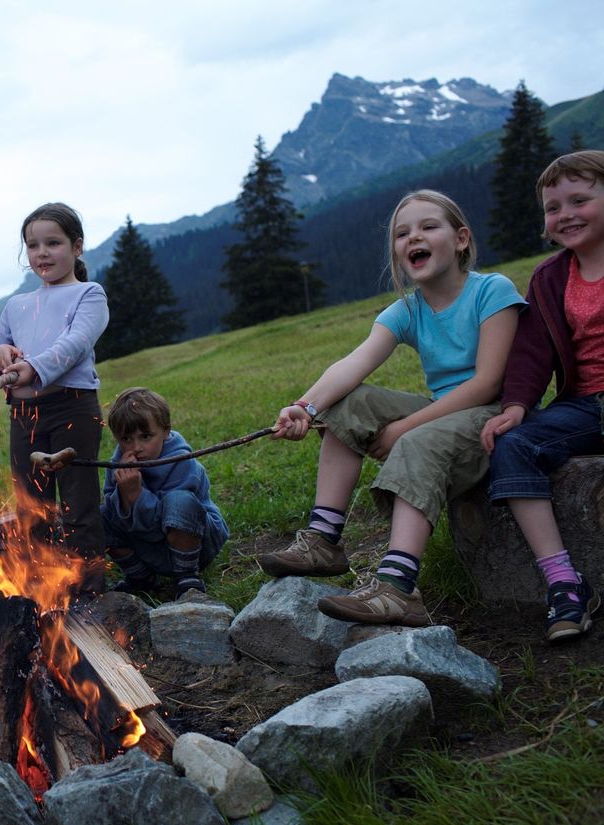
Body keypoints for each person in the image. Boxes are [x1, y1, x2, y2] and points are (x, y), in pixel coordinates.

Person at [258, 190, 524, 626]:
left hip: (493, 418)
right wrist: (304, 406)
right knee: (348, 401)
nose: (412, 238)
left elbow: (486, 384)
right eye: (402, 233)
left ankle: (399, 588)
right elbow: (353, 364)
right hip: (446, 412)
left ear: (461, 239)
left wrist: (405, 428)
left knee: (418, 440)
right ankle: (324, 540)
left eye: (427, 227)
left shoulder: (491, 290)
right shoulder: (407, 310)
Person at [480, 150, 604, 642]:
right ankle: (565, 585)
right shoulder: (551, 277)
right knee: (514, 446)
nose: (566, 214)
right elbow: (532, 353)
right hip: (586, 404)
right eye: (554, 207)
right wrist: (515, 408)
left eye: (581, 199)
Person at [0, 202, 109, 595]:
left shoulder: (89, 294)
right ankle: (41, 586)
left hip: (73, 405)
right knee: (31, 504)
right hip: (24, 414)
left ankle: (88, 588)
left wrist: (34, 369)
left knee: (78, 499)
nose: (41, 253)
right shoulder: (16, 305)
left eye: (52, 243)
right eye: (33, 245)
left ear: (77, 246)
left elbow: (74, 345)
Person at [100, 387, 229, 600]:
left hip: (197, 544)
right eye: (126, 439)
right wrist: (123, 494)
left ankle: (187, 576)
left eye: (146, 436)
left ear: (166, 431)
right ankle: (140, 576)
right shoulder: (119, 464)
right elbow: (113, 515)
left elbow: (166, 523)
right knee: (99, 515)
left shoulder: (181, 461)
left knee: (179, 501)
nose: (136, 447)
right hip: (149, 548)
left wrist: (135, 494)